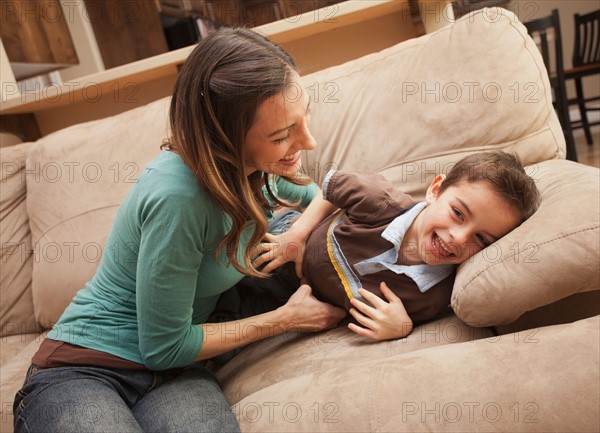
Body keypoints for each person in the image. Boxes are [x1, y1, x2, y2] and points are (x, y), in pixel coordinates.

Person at [13, 28, 346, 433]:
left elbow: (321, 193)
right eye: (282, 135)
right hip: (86, 368)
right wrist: (286, 319)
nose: (307, 141)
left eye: (304, 117)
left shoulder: (259, 171)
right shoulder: (180, 197)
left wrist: (297, 234)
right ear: (224, 137)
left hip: (177, 371)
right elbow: (164, 346)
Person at [250, 151, 540, 341]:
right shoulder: (380, 201)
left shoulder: (436, 295)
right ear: (435, 190)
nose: (458, 238)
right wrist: (298, 233)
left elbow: (407, 320)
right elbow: (331, 189)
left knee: (234, 324)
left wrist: (402, 327)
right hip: (285, 245)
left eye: (482, 239)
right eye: (458, 213)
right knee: (232, 267)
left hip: (298, 301)